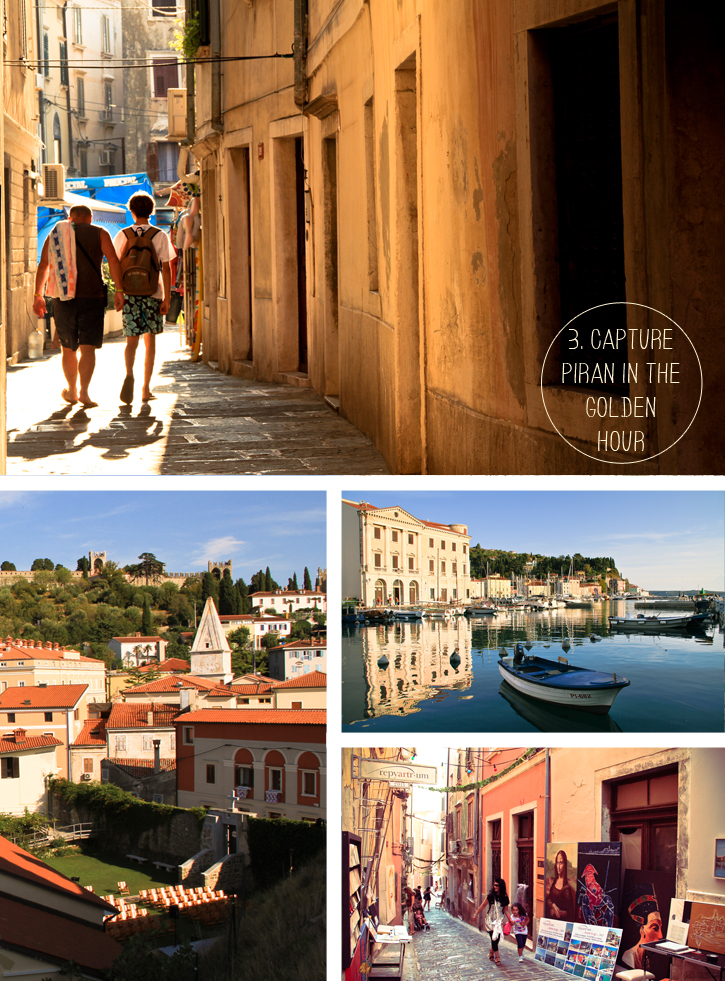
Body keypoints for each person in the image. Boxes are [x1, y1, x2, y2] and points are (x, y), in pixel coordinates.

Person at [33, 204, 124, 407]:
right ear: (90, 218)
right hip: (92, 298)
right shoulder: (100, 233)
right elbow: (114, 261)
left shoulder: (56, 234)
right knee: (88, 348)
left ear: (70, 218)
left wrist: (38, 295)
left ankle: (72, 391)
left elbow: (44, 266)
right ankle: (84, 393)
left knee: (68, 348)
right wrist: (119, 290)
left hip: (63, 299)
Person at [113, 192, 175, 403]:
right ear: (152, 211)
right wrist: (166, 297)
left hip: (130, 294)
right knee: (150, 342)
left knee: (131, 341)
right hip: (153, 293)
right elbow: (166, 268)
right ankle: (146, 389)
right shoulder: (159, 235)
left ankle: (129, 373)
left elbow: (115, 264)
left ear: (131, 211)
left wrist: (119, 291)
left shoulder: (123, 234)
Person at [475, 877, 511, 966]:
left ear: (501, 886)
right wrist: (475, 914)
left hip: (499, 921)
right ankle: (497, 957)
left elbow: (506, 910)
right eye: (494, 885)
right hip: (490, 921)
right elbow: (483, 905)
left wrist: (510, 919)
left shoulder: (505, 898)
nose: (495, 887)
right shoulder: (490, 896)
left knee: (496, 939)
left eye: (497, 885)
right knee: (493, 938)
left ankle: (491, 951)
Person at [546, 849, 576, 921]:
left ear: (565, 864)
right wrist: (553, 906)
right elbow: (549, 898)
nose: (558, 867)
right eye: (557, 863)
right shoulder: (555, 881)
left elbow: (569, 912)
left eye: (561, 863)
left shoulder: (567, 888)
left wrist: (558, 912)